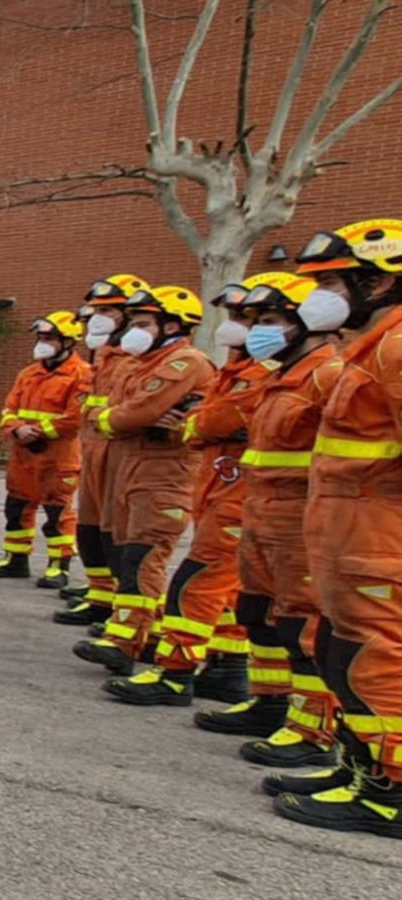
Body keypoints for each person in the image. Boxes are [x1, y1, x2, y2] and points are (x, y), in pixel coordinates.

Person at [271, 218, 402, 837]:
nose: (317, 296)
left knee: (378, 662)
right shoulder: (368, 350)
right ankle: (360, 768)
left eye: (331, 281)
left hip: (380, 539)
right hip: (348, 536)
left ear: (376, 283)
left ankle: (392, 794)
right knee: (340, 653)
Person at [105, 276, 282, 706]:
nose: (240, 325)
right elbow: (207, 418)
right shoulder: (234, 371)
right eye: (239, 316)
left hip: (246, 494)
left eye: (253, 318)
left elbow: (210, 421)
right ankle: (229, 669)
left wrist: (192, 423)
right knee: (233, 594)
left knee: (197, 584)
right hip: (223, 488)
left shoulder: (261, 373)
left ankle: (174, 674)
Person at [195, 276, 342, 780]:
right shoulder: (281, 375)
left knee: (303, 623)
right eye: (255, 322)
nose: (259, 332)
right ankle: (270, 701)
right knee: (257, 611)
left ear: (306, 323)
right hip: (261, 508)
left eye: (271, 322)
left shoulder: (328, 375)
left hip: (300, 515)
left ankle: (312, 730)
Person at [72, 286, 215, 676]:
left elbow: (128, 415)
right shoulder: (140, 365)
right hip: (129, 470)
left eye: (142, 323)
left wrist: (119, 420)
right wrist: (121, 420)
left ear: (171, 326)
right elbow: (117, 415)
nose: (133, 331)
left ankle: (124, 642)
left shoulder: (186, 363)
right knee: (121, 553)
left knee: (142, 559)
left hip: (163, 476)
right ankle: (144, 635)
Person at [55, 274, 148, 626]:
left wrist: (97, 416)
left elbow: (131, 409)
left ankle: (121, 607)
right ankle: (100, 595)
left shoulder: (135, 358)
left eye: (107, 310)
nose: (98, 317)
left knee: (116, 534)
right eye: (96, 310)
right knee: (90, 530)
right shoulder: (105, 355)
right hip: (93, 449)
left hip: (120, 453)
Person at [0, 313, 91, 583]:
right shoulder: (29, 373)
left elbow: (77, 416)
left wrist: (41, 432)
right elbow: (9, 408)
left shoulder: (82, 374)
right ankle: (16, 559)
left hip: (59, 455)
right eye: (41, 338)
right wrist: (17, 428)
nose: (42, 343)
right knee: (17, 507)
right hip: (23, 453)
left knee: (57, 511)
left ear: (68, 341)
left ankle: (59, 564)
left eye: (49, 338)